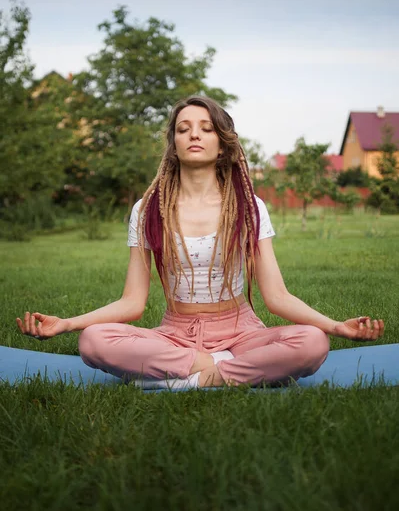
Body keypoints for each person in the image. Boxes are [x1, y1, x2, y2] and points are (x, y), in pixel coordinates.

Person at [16, 96, 384, 388]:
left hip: (241, 332)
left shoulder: (249, 207)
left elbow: (277, 297)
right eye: (184, 128)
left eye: (206, 128)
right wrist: (67, 324)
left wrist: (334, 327)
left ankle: (195, 379)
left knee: (312, 343)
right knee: (93, 341)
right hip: (175, 335)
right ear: (173, 144)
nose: (194, 135)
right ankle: (223, 373)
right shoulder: (148, 210)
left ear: (222, 145)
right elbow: (132, 303)